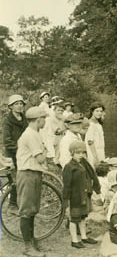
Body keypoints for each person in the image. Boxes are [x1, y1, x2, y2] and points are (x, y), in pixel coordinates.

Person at [16, 106, 48, 256]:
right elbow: (41, 158)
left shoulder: (35, 133)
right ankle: (28, 247)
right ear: (37, 120)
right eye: (44, 118)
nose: (45, 121)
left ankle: (32, 240)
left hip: (34, 174)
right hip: (27, 174)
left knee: (33, 210)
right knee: (26, 211)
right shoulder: (30, 135)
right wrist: (46, 151)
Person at [62, 141, 99, 249]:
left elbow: (92, 175)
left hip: (84, 195)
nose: (81, 155)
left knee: (83, 217)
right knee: (74, 218)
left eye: (83, 152)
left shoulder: (83, 164)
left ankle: (83, 237)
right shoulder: (69, 167)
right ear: (72, 153)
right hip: (75, 197)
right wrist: (66, 199)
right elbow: (67, 185)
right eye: (78, 153)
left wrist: (96, 189)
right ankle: (74, 240)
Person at [2, 94, 28, 211]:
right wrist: (19, 149)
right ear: (11, 107)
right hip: (12, 153)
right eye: (16, 104)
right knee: (15, 179)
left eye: (21, 103)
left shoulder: (24, 118)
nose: (19, 106)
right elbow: (7, 141)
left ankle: (21, 201)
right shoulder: (8, 121)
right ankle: (12, 204)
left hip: (23, 153)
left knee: (24, 177)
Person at [86, 102, 106, 167]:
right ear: (92, 111)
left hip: (100, 150)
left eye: (101, 111)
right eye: (97, 111)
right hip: (93, 152)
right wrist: (95, 157)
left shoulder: (98, 122)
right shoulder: (90, 124)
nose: (99, 113)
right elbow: (90, 142)